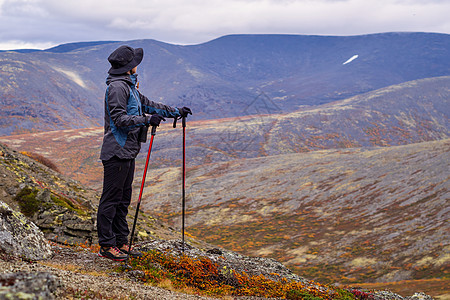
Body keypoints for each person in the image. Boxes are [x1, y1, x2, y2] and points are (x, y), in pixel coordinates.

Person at [97, 45, 192, 261]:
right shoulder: (118, 88)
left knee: (123, 200)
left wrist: (176, 112)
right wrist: (146, 120)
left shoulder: (129, 88)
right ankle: (107, 246)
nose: (137, 65)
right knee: (111, 200)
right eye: (135, 63)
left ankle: (121, 242)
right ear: (129, 67)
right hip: (116, 152)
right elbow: (120, 119)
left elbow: (148, 105)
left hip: (127, 152)